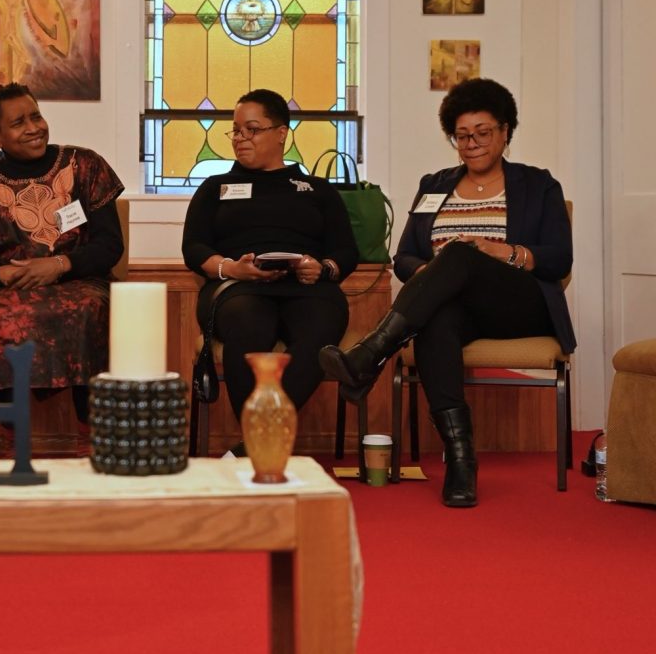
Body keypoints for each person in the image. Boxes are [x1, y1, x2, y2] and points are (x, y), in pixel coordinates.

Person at [320, 78, 575, 507]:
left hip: (519, 303)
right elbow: (403, 258)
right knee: (437, 316)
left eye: (483, 132)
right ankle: (461, 460)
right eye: (461, 136)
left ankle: (370, 354)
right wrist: (434, 276)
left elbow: (558, 259)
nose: (471, 143)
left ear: (506, 131)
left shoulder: (539, 185)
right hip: (457, 308)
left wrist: (501, 251)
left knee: (459, 254)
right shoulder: (434, 184)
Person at [0, 83, 124, 450]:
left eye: (36, 116)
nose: (33, 127)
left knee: (88, 310)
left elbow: (110, 247)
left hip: (84, 283)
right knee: (0, 317)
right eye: (18, 123)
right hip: (12, 293)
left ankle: (90, 441)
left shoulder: (85, 164)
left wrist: (60, 264)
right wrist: (6, 274)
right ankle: (16, 442)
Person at [182, 89, 359, 441]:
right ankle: (261, 437)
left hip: (306, 288)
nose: (240, 139)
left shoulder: (317, 189)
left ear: (281, 133)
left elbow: (345, 251)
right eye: (235, 130)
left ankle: (258, 437)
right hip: (237, 288)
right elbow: (194, 247)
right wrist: (232, 268)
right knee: (250, 322)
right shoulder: (216, 187)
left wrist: (321, 267)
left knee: (321, 327)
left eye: (252, 129)